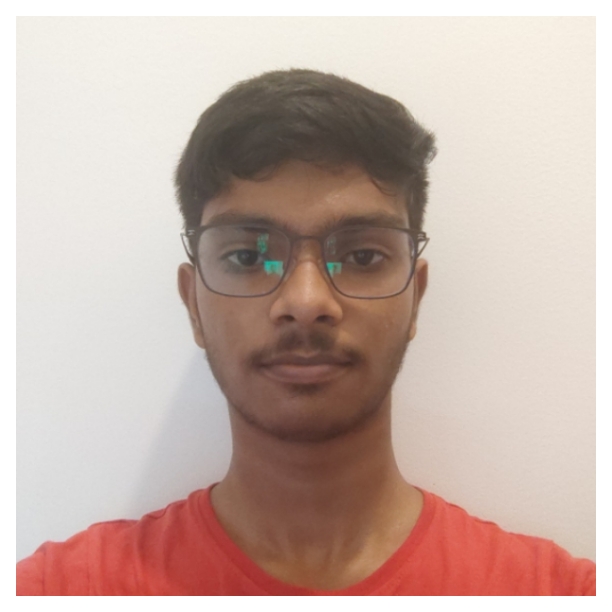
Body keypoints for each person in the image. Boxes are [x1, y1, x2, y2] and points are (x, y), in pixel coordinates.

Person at [17, 69, 595, 596]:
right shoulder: (59, 591)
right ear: (193, 304)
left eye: (362, 256)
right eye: (249, 257)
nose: (306, 301)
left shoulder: (556, 594)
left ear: (415, 296)